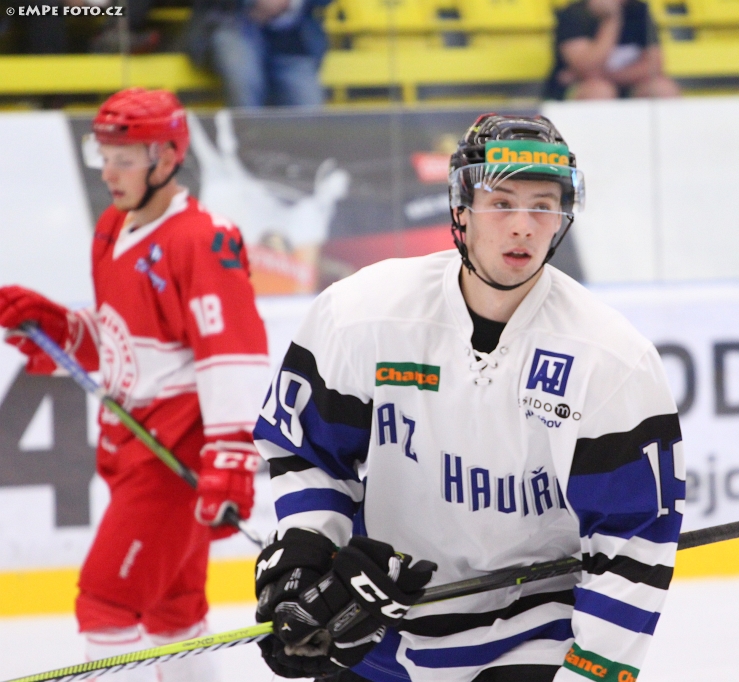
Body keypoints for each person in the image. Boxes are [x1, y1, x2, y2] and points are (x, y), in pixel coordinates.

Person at [251, 113, 686, 682]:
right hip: (379, 624)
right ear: (462, 209)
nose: (524, 226)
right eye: (502, 204)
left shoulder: (609, 358)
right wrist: (309, 553)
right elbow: (308, 452)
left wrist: (593, 674)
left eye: (543, 205)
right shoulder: (364, 313)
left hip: (529, 634)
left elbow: (632, 538)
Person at [0, 88, 269, 681]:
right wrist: (61, 329)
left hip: (173, 454)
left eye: (124, 158)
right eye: (104, 156)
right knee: (174, 609)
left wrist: (231, 459)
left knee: (106, 602)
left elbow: (232, 352)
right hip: (133, 446)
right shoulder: (111, 229)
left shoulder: (202, 239)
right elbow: (125, 340)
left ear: (167, 158)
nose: (109, 172)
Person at [186, 0, 329, 107]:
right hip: (230, 24)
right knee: (243, 78)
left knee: (309, 107)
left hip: (292, 38)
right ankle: (246, 138)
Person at [544, 0, 680, 100]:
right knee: (599, 91)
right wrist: (610, 20)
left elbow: (654, 65)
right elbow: (586, 67)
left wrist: (608, 76)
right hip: (580, 89)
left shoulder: (639, 11)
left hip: (627, 85)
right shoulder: (573, 14)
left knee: (663, 89)